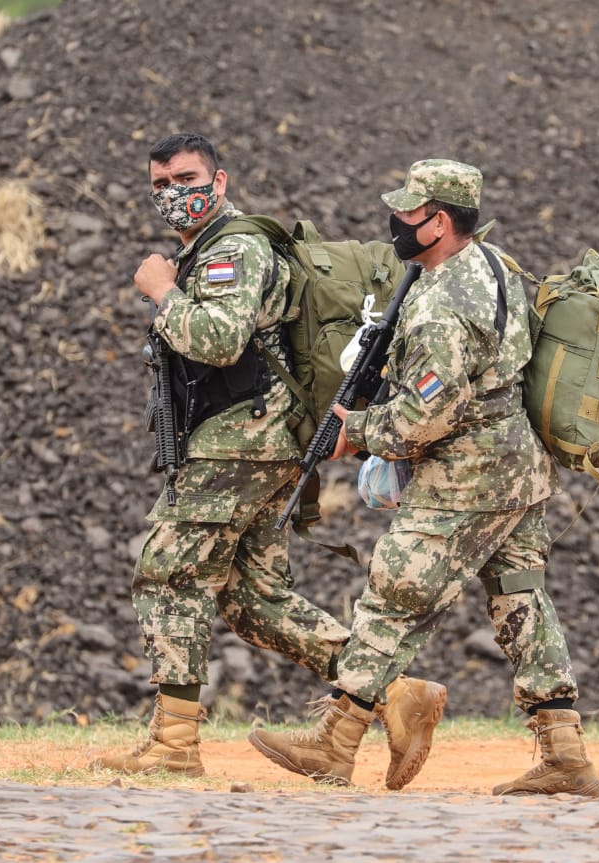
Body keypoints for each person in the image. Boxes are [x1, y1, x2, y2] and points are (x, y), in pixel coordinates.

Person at [94, 133, 445, 786]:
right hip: (259, 439)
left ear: (220, 181)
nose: (175, 193)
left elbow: (221, 340)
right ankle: (397, 692)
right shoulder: (208, 249)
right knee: (254, 601)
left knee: (168, 568)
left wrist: (163, 293)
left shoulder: (236, 248)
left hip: (244, 439)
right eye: (161, 185)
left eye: (187, 178)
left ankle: (172, 742)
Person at [248, 159, 599, 797]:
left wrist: (357, 432)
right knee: (521, 597)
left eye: (409, 213)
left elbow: (428, 414)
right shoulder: (491, 264)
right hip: (517, 467)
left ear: (439, 222)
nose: (397, 223)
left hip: (469, 475)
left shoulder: (442, 304)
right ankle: (566, 753)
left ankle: (336, 741)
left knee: (393, 588)